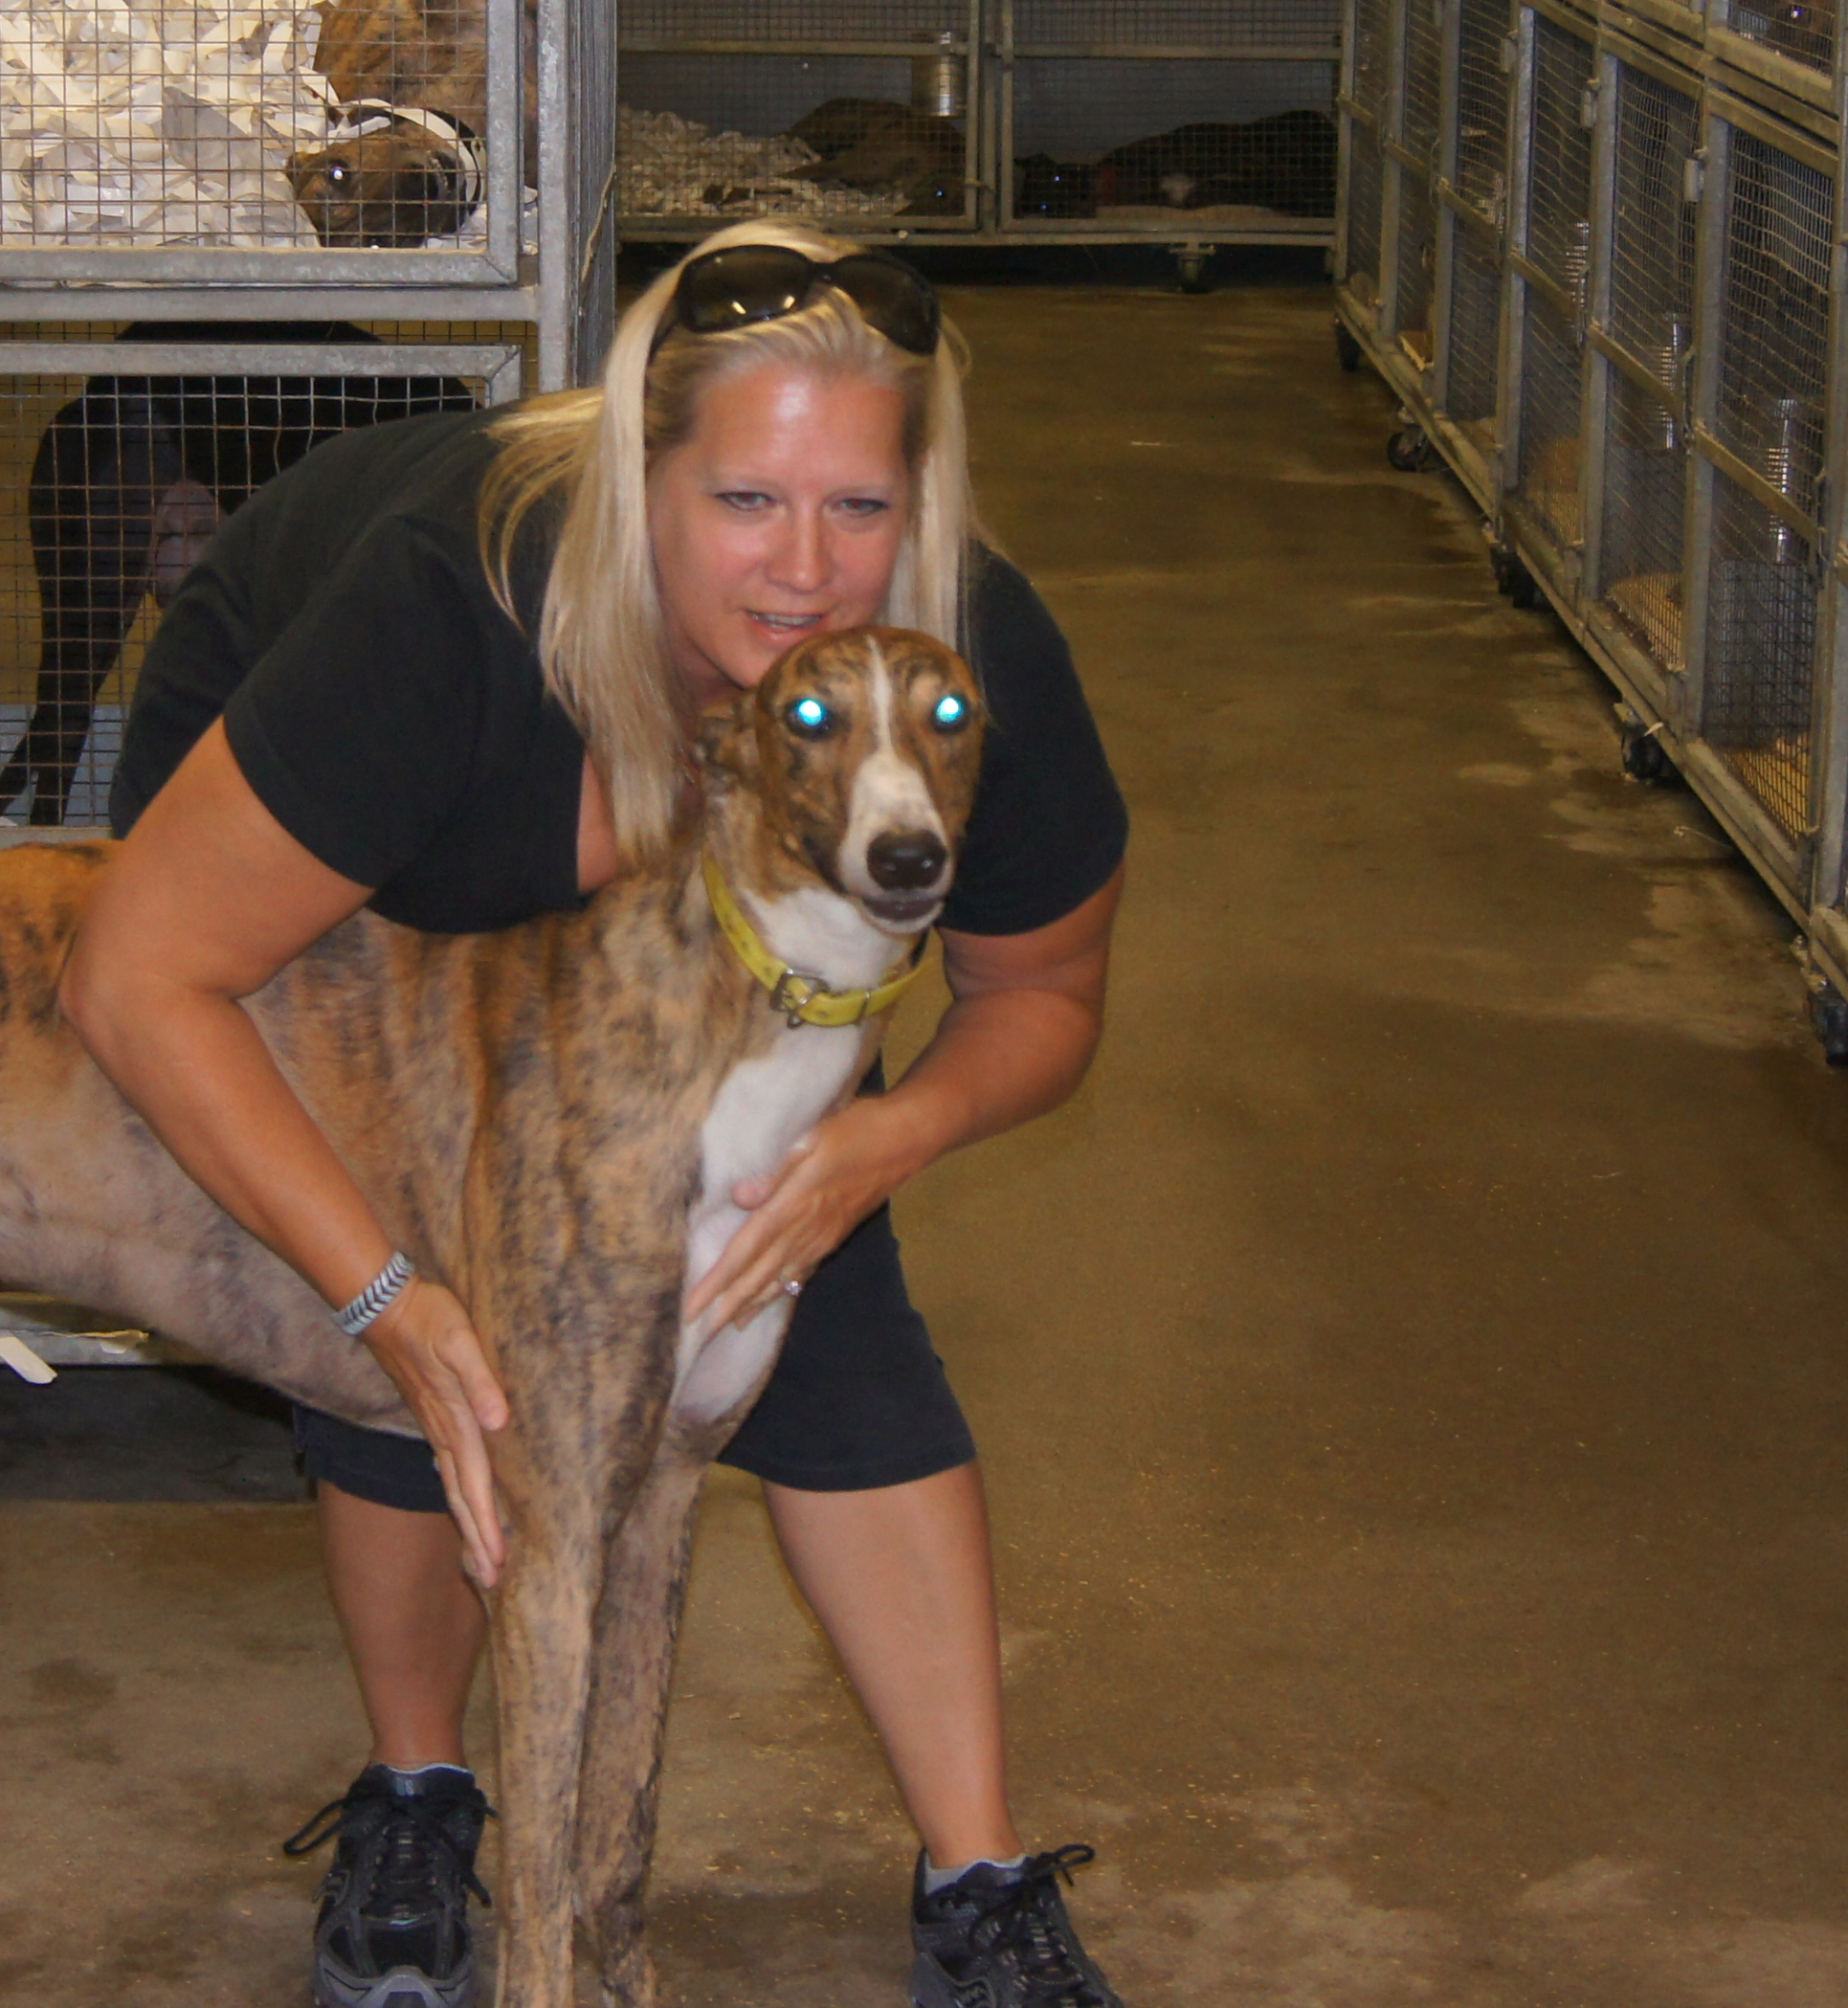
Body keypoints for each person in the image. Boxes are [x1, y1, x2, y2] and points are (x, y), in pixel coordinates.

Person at [58, 228, 1132, 2008]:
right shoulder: (448, 600)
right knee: (466, 1306)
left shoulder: (950, 668)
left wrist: (883, 1140)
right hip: (332, 804)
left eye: (856, 508)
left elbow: (1043, 996)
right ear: (645, 474)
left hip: (686, 916)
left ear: (915, 507)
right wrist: (389, 1299)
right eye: (746, 502)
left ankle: (980, 1877)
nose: (803, 571)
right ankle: (422, 1794)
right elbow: (137, 974)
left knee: (814, 1310)